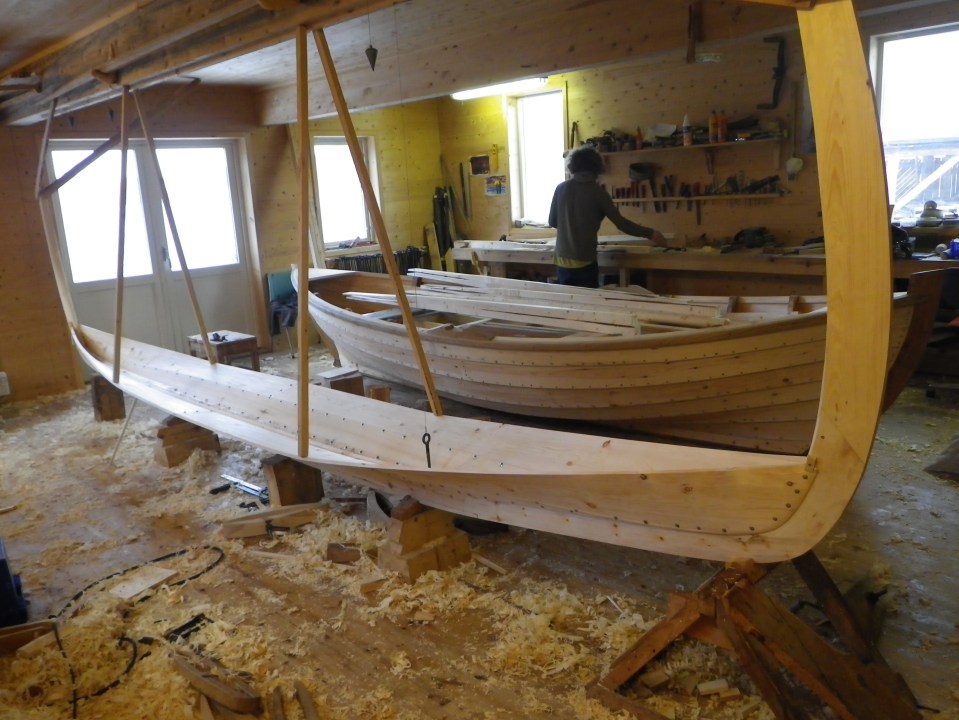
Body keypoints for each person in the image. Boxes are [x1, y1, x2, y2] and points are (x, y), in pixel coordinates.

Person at [548, 145, 665, 288]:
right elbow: (622, 224)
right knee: (590, 301)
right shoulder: (599, 193)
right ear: (597, 168)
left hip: (561, 260)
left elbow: (552, 221)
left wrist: (570, 226)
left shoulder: (560, 188)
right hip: (585, 261)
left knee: (567, 301)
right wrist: (651, 233)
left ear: (573, 165)